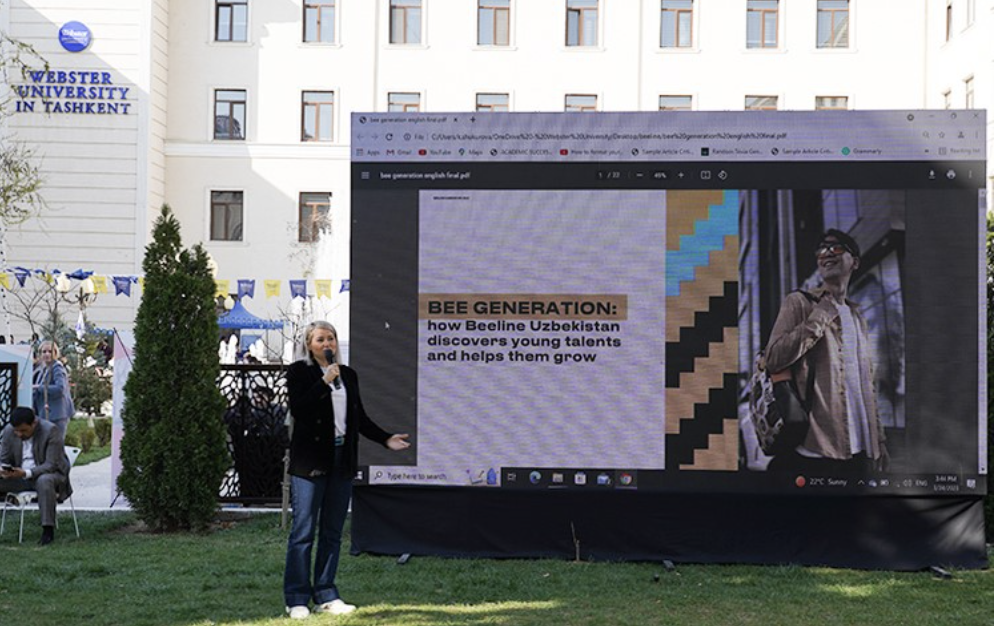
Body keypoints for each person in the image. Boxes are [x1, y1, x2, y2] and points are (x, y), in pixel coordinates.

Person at [283, 321, 410, 619]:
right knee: (303, 532)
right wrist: (323, 381)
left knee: (332, 531)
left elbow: (359, 418)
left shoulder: (348, 375)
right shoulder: (299, 372)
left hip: (342, 457)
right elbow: (299, 409)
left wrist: (385, 439)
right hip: (312, 459)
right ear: (309, 345)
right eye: (320, 339)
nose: (327, 344)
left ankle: (326, 593)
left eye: (331, 338)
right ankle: (297, 597)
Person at [764, 229, 889, 475]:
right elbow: (773, 358)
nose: (827, 253)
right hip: (816, 451)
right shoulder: (799, 302)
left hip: (861, 451)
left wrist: (880, 440)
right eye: (822, 249)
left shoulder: (858, 318)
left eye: (837, 248)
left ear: (855, 262)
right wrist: (820, 316)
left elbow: (866, 386)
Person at [0, 406, 72, 545]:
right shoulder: (9, 431)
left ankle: (47, 531)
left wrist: (26, 473)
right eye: (16, 431)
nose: (19, 434)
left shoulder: (50, 431)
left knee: (44, 481)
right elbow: (4, 458)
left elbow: (51, 465)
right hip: (19, 477)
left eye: (23, 431)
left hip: (52, 476)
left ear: (34, 423)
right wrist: (4, 470)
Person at [32, 340, 75, 437]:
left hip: (57, 414)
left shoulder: (57, 368)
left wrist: (39, 387)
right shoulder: (44, 368)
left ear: (55, 353)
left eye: (50, 351)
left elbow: (60, 388)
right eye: (44, 352)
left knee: (56, 445)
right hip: (46, 414)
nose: (47, 354)